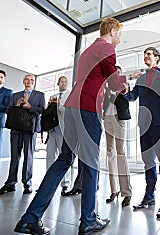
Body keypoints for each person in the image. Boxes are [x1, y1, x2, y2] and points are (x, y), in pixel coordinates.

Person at [14, 17, 127, 235]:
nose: (119, 38)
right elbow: (114, 83)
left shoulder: (88, 50)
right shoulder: (107, 48)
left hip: (73, 108)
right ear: (113, 31)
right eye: (119, 33)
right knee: (91, 163)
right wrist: (126, 83)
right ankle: (88, 220)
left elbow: (96, 77)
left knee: (65, 159)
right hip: (87, 109)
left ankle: (30, 218)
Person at [125, 47, 160, 219]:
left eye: (149, 54)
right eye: (144, 54)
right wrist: (124, 91)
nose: (145, 56)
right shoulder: (140, 78)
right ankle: (149, 196)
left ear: (156, 58)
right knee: (148, 161)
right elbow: (133, 97)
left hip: (159, 122)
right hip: (144, 124)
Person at [0, 74, 45, 196]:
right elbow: (7, 110)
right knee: (14, 156)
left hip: (30, 129)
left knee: (28, 156)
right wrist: (16, 106)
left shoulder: (40, 95)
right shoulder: (15, 95)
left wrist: (30, 107)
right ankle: (10, 183)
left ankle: (27, 183)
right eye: (27, 79)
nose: (29, 81)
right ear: (23, 81)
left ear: (34, 82)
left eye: (32, 80)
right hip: (16, 128)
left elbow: (42, 109)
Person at [103, 66, 132, 207]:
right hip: (107, 117)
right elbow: (104, 101)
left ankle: (126, 192)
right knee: (110, 154)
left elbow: (122, 97)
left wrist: (116, 87)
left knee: (120, 153)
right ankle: (114, 190)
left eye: (117, 72)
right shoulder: (106, 85)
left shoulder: (123, 84)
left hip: (119, 118)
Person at [46, 76, 72, 195]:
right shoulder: (52, 96)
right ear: (58, 83)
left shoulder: (70, 95)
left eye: (65, 82)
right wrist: (50, 105)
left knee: (64, 157)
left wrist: (59, 105)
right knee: (50, 156)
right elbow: (48, 112)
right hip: (52, 130)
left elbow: (69, 112)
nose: (64, 83)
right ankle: (48, 183)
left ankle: (65, 184)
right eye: (61, 81)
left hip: (64, 130)